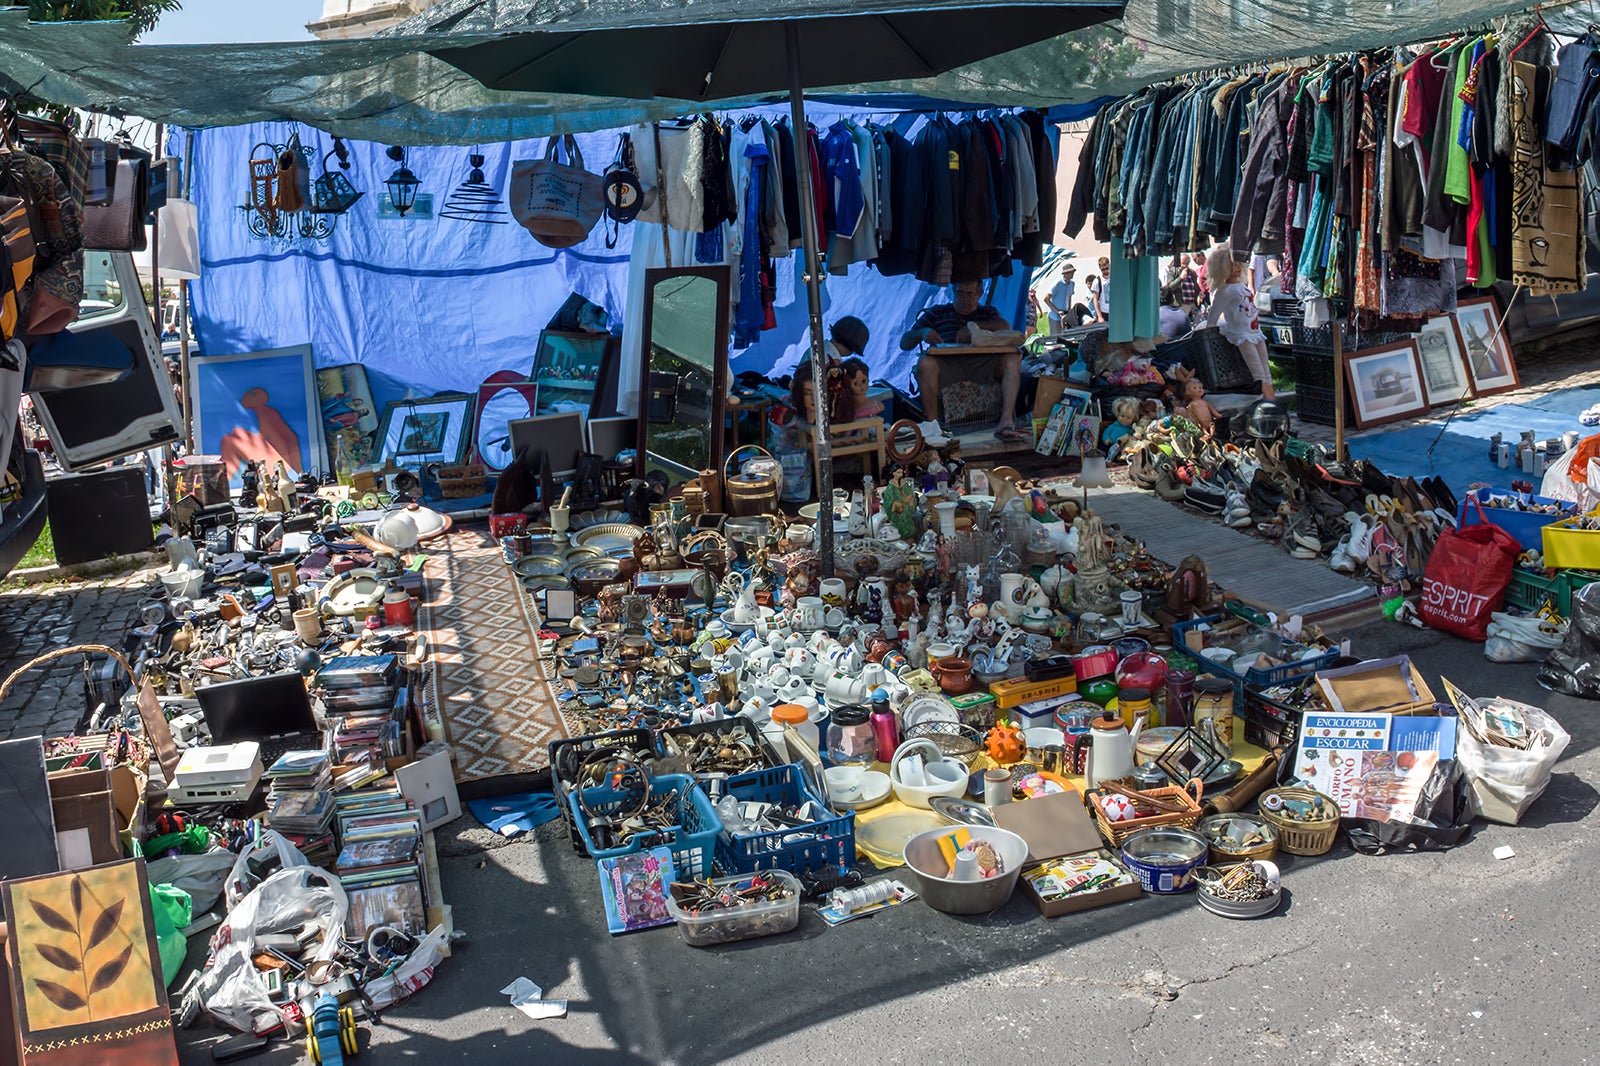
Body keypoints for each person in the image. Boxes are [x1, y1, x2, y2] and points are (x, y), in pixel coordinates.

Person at [899, 280, 1024, 441]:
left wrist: (974, 326)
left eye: (970, 294)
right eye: (960, 293)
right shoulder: (938, 312)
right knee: (925, 362)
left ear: (979, 294)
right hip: (948, 366)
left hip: (982, 365)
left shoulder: (987, 313)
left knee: (1013, 357)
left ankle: (1006, 422)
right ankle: (933, 425)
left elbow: (1005, 327)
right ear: (952, 291)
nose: (963, 298)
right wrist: (922, 332)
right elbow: (904, 343)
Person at [1203, 244, 1275, 399]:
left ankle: (1273, 404)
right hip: (1242, 335)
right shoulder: (1224, 291)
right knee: (1259, 373)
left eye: (1238, 264)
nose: (1237, 268)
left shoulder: (1240, 286)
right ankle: (1269, 404)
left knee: (1266, 372)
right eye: (1232, 265)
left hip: (1255, 332)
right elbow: (1213, 317)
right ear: (1222, 267)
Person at [1043, 262, 1078, 334]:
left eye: (1072, 272)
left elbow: (1069, 297)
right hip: (1054, 315)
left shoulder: (1072, 284)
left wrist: (1069, 310)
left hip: (1065, 314)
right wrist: (1057, 311)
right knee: (1055, 338)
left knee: (1065, 337)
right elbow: (1046, 299)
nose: (1071, 274)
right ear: (1064, 274)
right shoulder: (1057, 283)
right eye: (1069, 272)